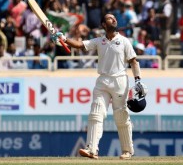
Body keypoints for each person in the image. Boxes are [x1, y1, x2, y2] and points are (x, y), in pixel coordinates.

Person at [51, 13, 147, 159]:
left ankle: (127, 150)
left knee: (121, 116)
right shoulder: (99, 41)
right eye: (109, 18)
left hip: (120, 81)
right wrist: (64, 39)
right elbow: (80, 45)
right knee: (96, 113)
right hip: (102, 81)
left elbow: (133, 61)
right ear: (103, 24)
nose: (114, 19)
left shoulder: (124, 41)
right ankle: (92, 149)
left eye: (114, 18)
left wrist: (138, 80)